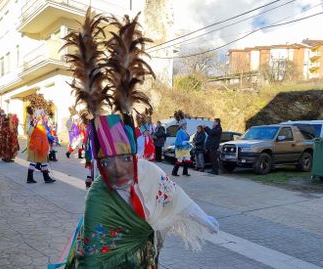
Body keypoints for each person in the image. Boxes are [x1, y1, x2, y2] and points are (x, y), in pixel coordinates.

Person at [53, 9, 219, 268]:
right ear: (99, 162)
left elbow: (174, 196)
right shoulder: (97, 197)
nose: (118, 168)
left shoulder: (147, 171)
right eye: (108, 161)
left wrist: (201, 217)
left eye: (124, 159)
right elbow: (92, 256)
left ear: (133, 155)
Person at [25, 95, 56, 184]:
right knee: (40, 160)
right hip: (37, 144)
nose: (44, 117)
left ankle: (31, 178)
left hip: (37, 143)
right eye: (43, 114)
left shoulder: (34, 121)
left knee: (38, 161)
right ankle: (45, 178)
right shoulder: (35, 122)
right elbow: (31, 132)